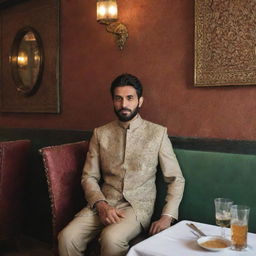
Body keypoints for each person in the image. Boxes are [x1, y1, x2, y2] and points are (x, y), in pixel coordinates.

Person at [58, 73, 185, 256]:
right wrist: (101, 205)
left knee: (112, 238)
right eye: (118, 99)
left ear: (140, 101)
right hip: (102, 203)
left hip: (137, 207)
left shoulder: (157, 134)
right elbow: (89, 177)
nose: (124, 104)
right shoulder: (100, 133)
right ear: (113, 101)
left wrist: (167, 216)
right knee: (67, 237)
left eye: (129, 98)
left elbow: (176, 179)